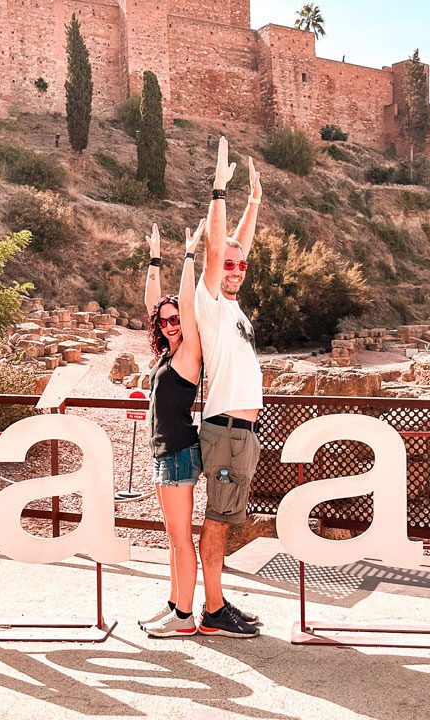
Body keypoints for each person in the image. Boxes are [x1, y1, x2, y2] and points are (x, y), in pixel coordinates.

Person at [193, 137, 263, 638]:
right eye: (228, 267)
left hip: (242, 432)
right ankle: (213, 611)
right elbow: (219, 249)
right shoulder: (212, 302)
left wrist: (254, 203)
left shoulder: (233, 306)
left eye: (242, 266)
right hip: (225, 430)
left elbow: (237, 246)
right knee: (218, 519)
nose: (235, 269)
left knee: (226, 516)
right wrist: (219, 190)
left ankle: (219, 601)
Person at [139, 220, 208, 637]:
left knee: (182, 539)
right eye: (163, 321)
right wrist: (155, 257)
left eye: (175, 318)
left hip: (181, 452)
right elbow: (153, 302)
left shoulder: (190, 353)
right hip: (165, 453)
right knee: (172, 537)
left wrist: (187, 255)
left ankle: (185, 618)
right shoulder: (167, 354)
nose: (169, 323)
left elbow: (183, 301)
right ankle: (173, 604)